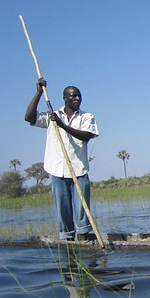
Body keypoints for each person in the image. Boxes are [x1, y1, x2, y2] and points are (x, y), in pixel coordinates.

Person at [25, 78, 99, 241]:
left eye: (79, 96)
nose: (77, 99)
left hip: (79, 170)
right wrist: (38, 92)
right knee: (63, 209)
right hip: (58, 170)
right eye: (73, 96)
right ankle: (67, 240)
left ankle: (84, 238)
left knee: (82, 210)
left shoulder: (86, 117)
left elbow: (86, 136)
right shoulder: (53, 116)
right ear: (65, 98)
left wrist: (63, 125)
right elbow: (29, 117)